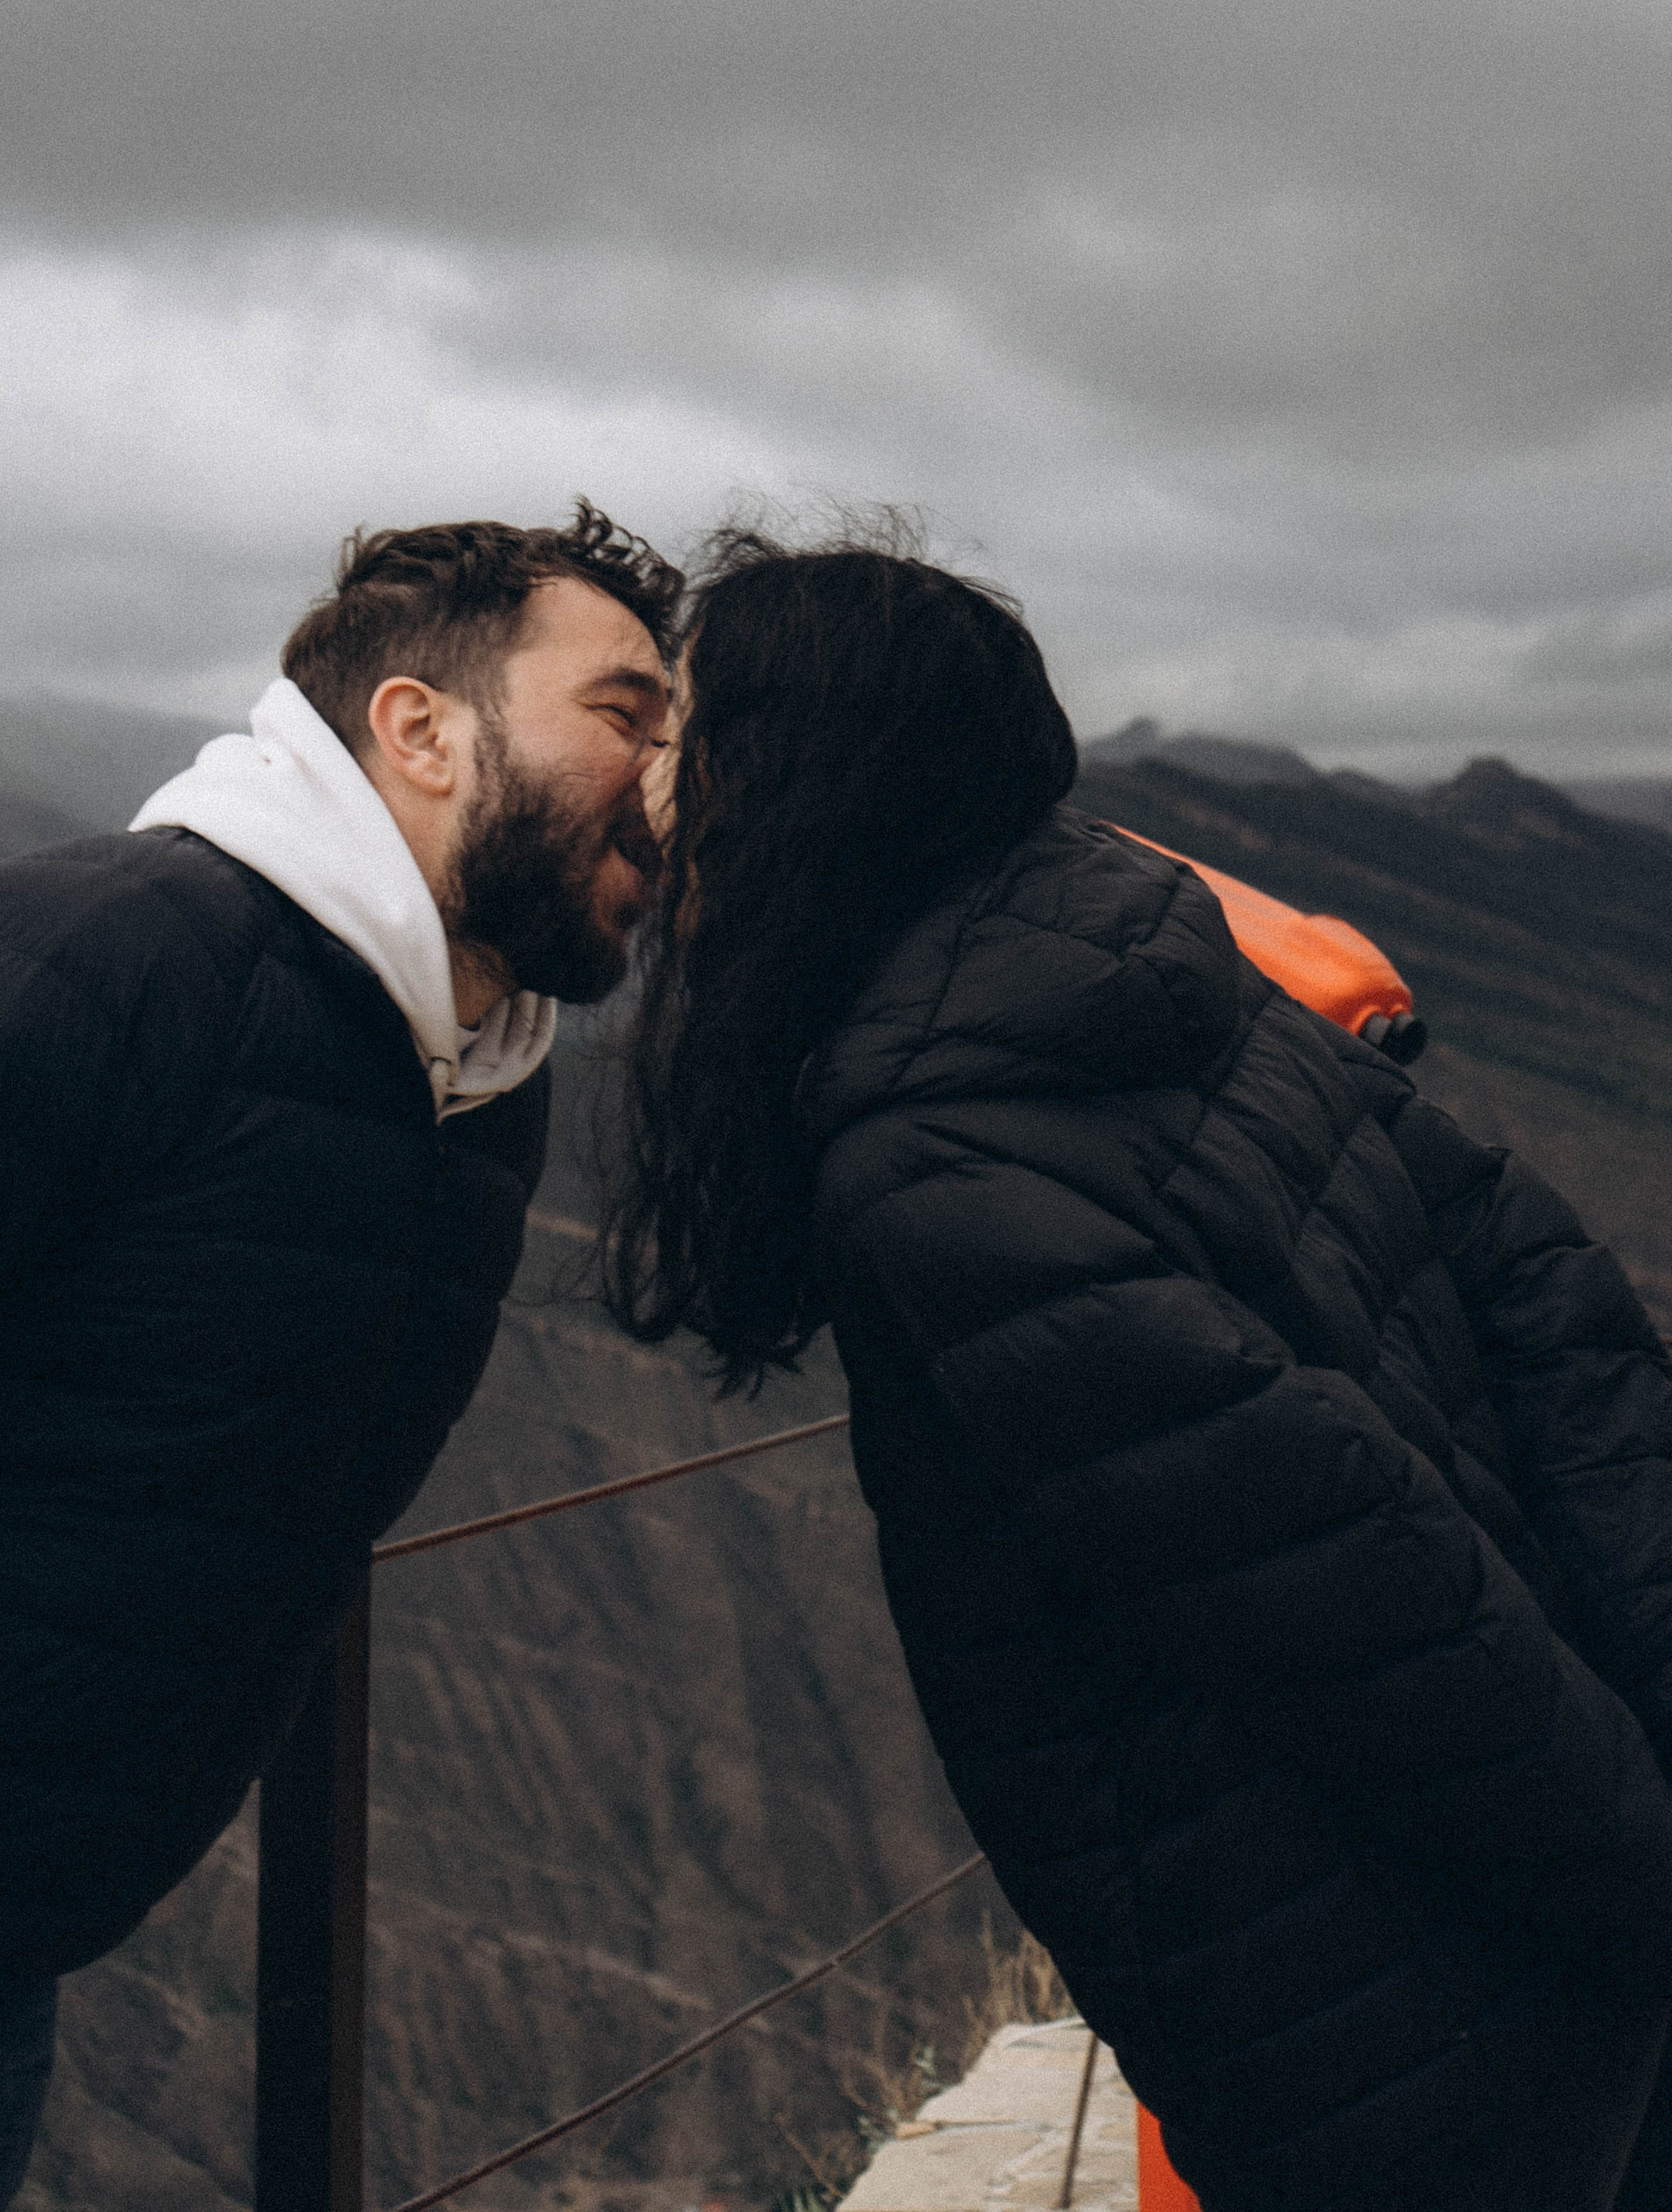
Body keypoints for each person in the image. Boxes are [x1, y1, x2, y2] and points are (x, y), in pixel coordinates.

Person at [611, 527, 1672, 2212]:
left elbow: (1358, 1586)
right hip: (1481, 1948)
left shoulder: (937, 1169)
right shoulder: (1170, 980)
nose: (640, 783)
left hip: (1365, 2001)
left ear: (791, 777)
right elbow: (1549, 1302)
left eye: (677, 731)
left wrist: (1635, 1880)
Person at [0, 509, 679, 2205]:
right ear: (420, 730)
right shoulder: (128, 957)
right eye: (627, 716)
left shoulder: (467, 1080)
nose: (671, 789)